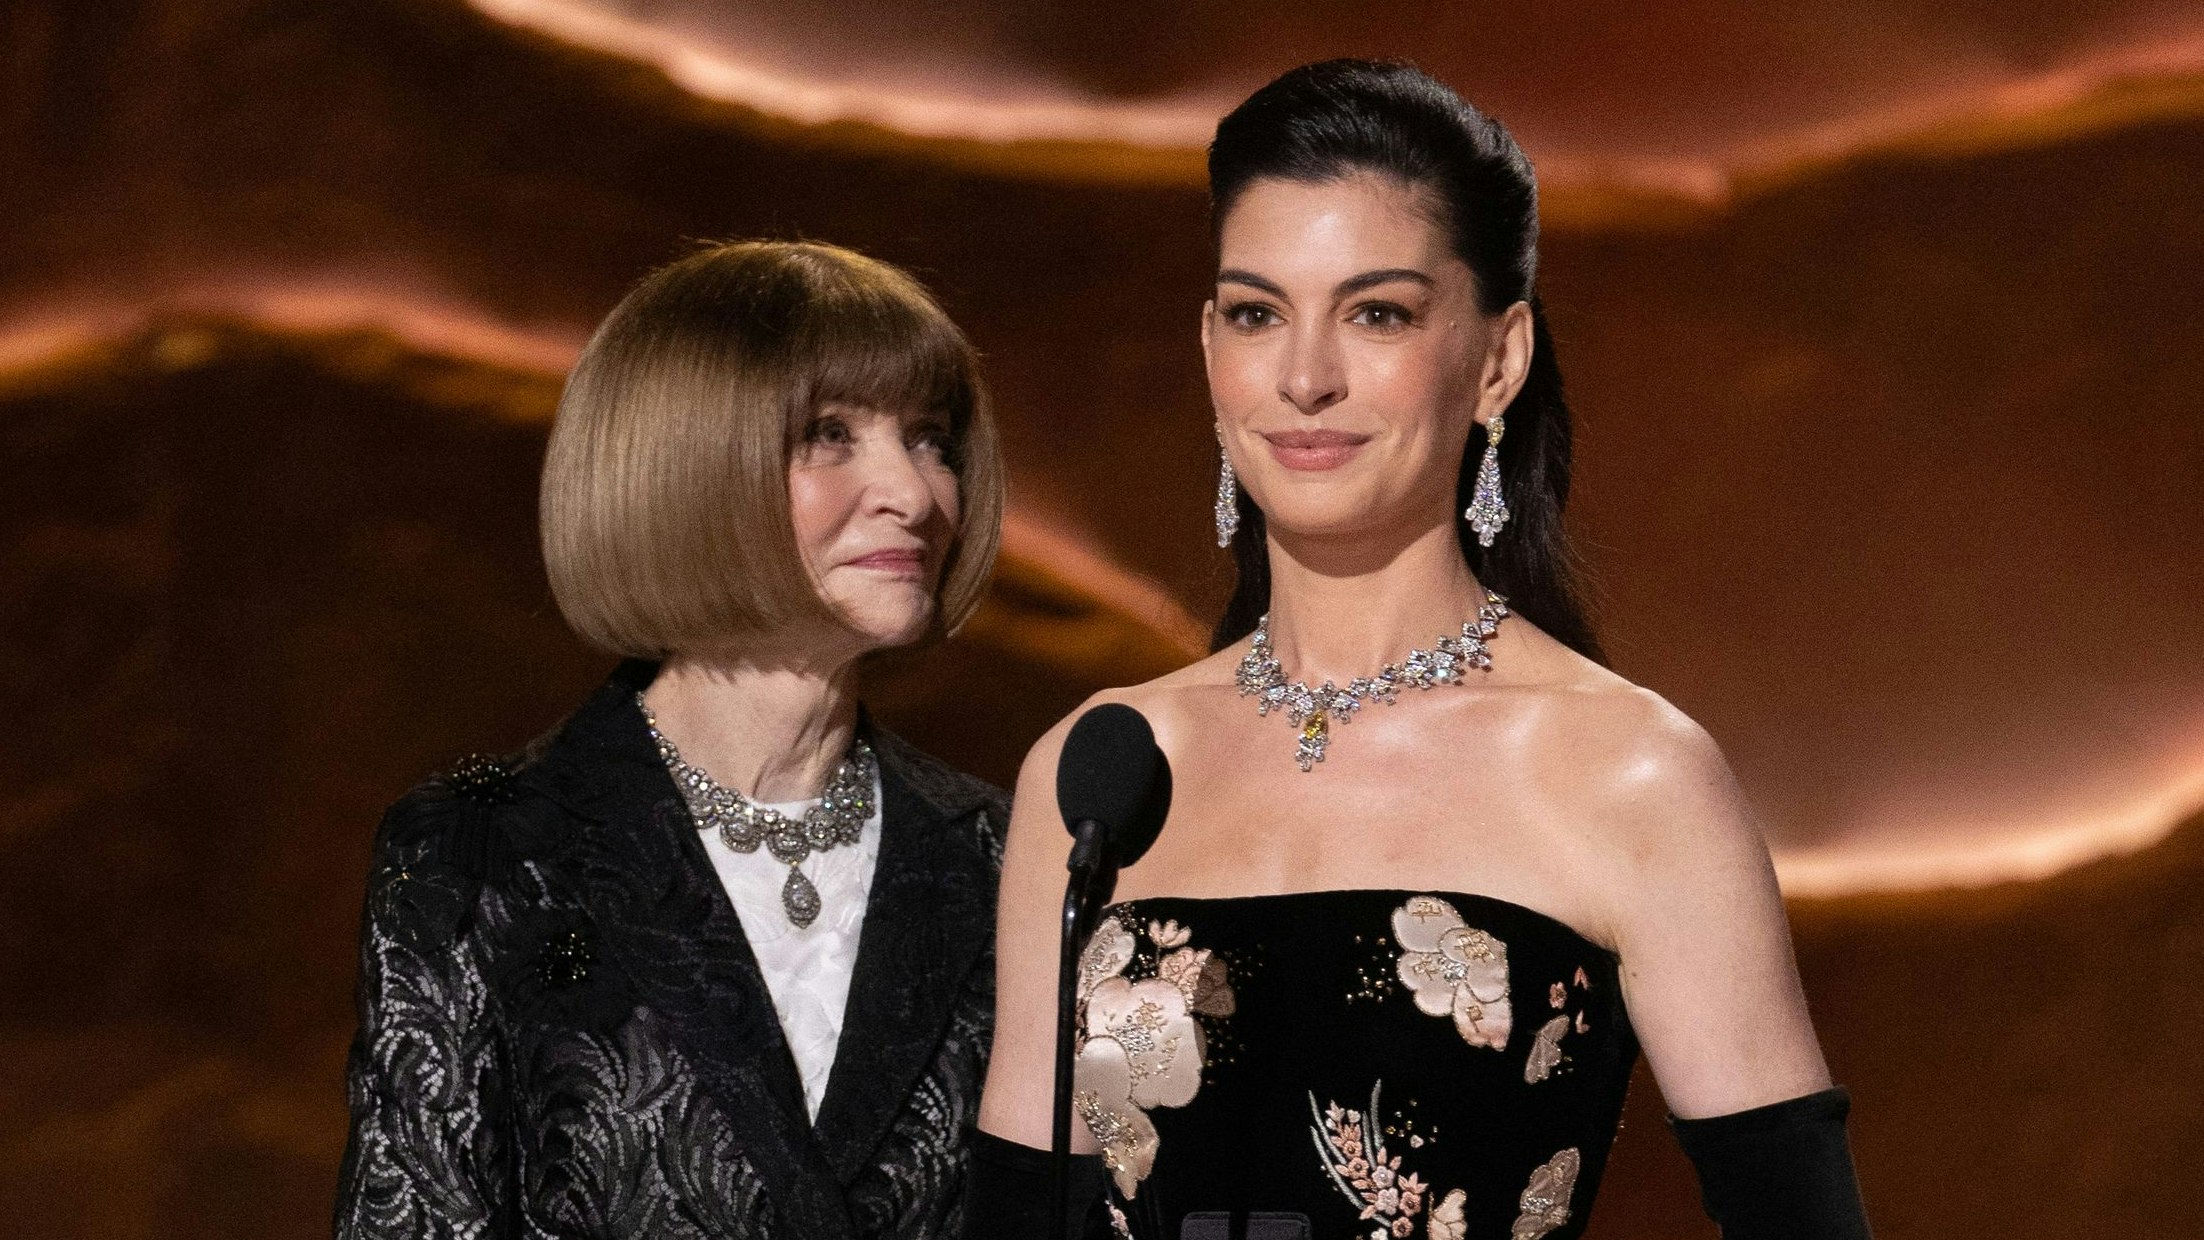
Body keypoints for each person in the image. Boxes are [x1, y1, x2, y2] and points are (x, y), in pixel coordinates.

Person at [969, 62, 1871, 1240]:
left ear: (1497, 361)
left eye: (1375, 313)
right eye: (1256, 313)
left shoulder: (1627, 772)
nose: (1303, 377)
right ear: (1208, 352)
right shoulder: (1098, 769)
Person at [336, 240, 1011, 1239]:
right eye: (829, 433)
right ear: (685, 466)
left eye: (928, 438)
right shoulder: (480, 852)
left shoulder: (1008, 849)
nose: (911, 494)